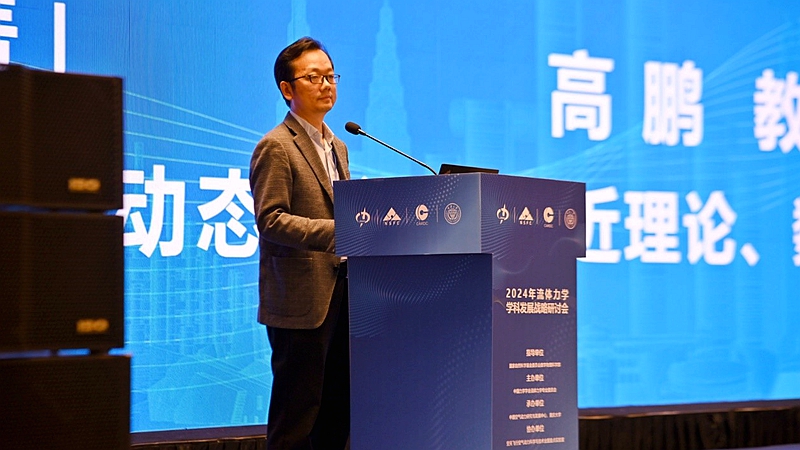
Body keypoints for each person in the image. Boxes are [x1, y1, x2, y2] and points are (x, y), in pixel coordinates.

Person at [249, 37, 350, 450]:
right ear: (287, 89)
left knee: (337, 413)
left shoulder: (338, 145)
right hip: (300, 302)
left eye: (330, 76)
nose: (326, 85)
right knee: (296, 418)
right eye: (314, 77)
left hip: (343, 294)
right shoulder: (276, 145)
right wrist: (339, 231)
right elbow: (270, 220)